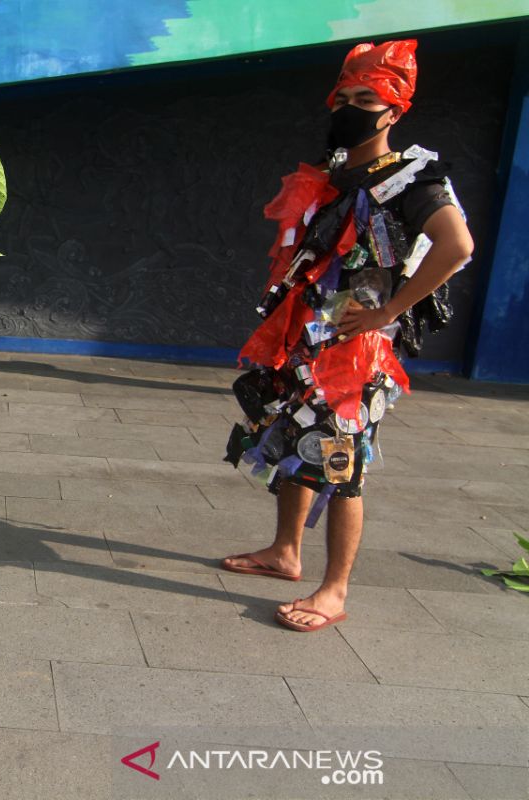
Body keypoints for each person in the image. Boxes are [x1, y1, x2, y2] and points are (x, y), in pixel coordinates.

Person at [221, 40, 473, 632]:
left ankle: (334, 590)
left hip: (354, 356)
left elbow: (457, 245)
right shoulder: (337, 173)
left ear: (394, 111)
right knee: (289, 442)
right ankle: (285, 552)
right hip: (308, 339)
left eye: (368, 98)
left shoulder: (411, 178)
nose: (351, 107)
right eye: (345, 97)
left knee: (340, 465)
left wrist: (390, 313)